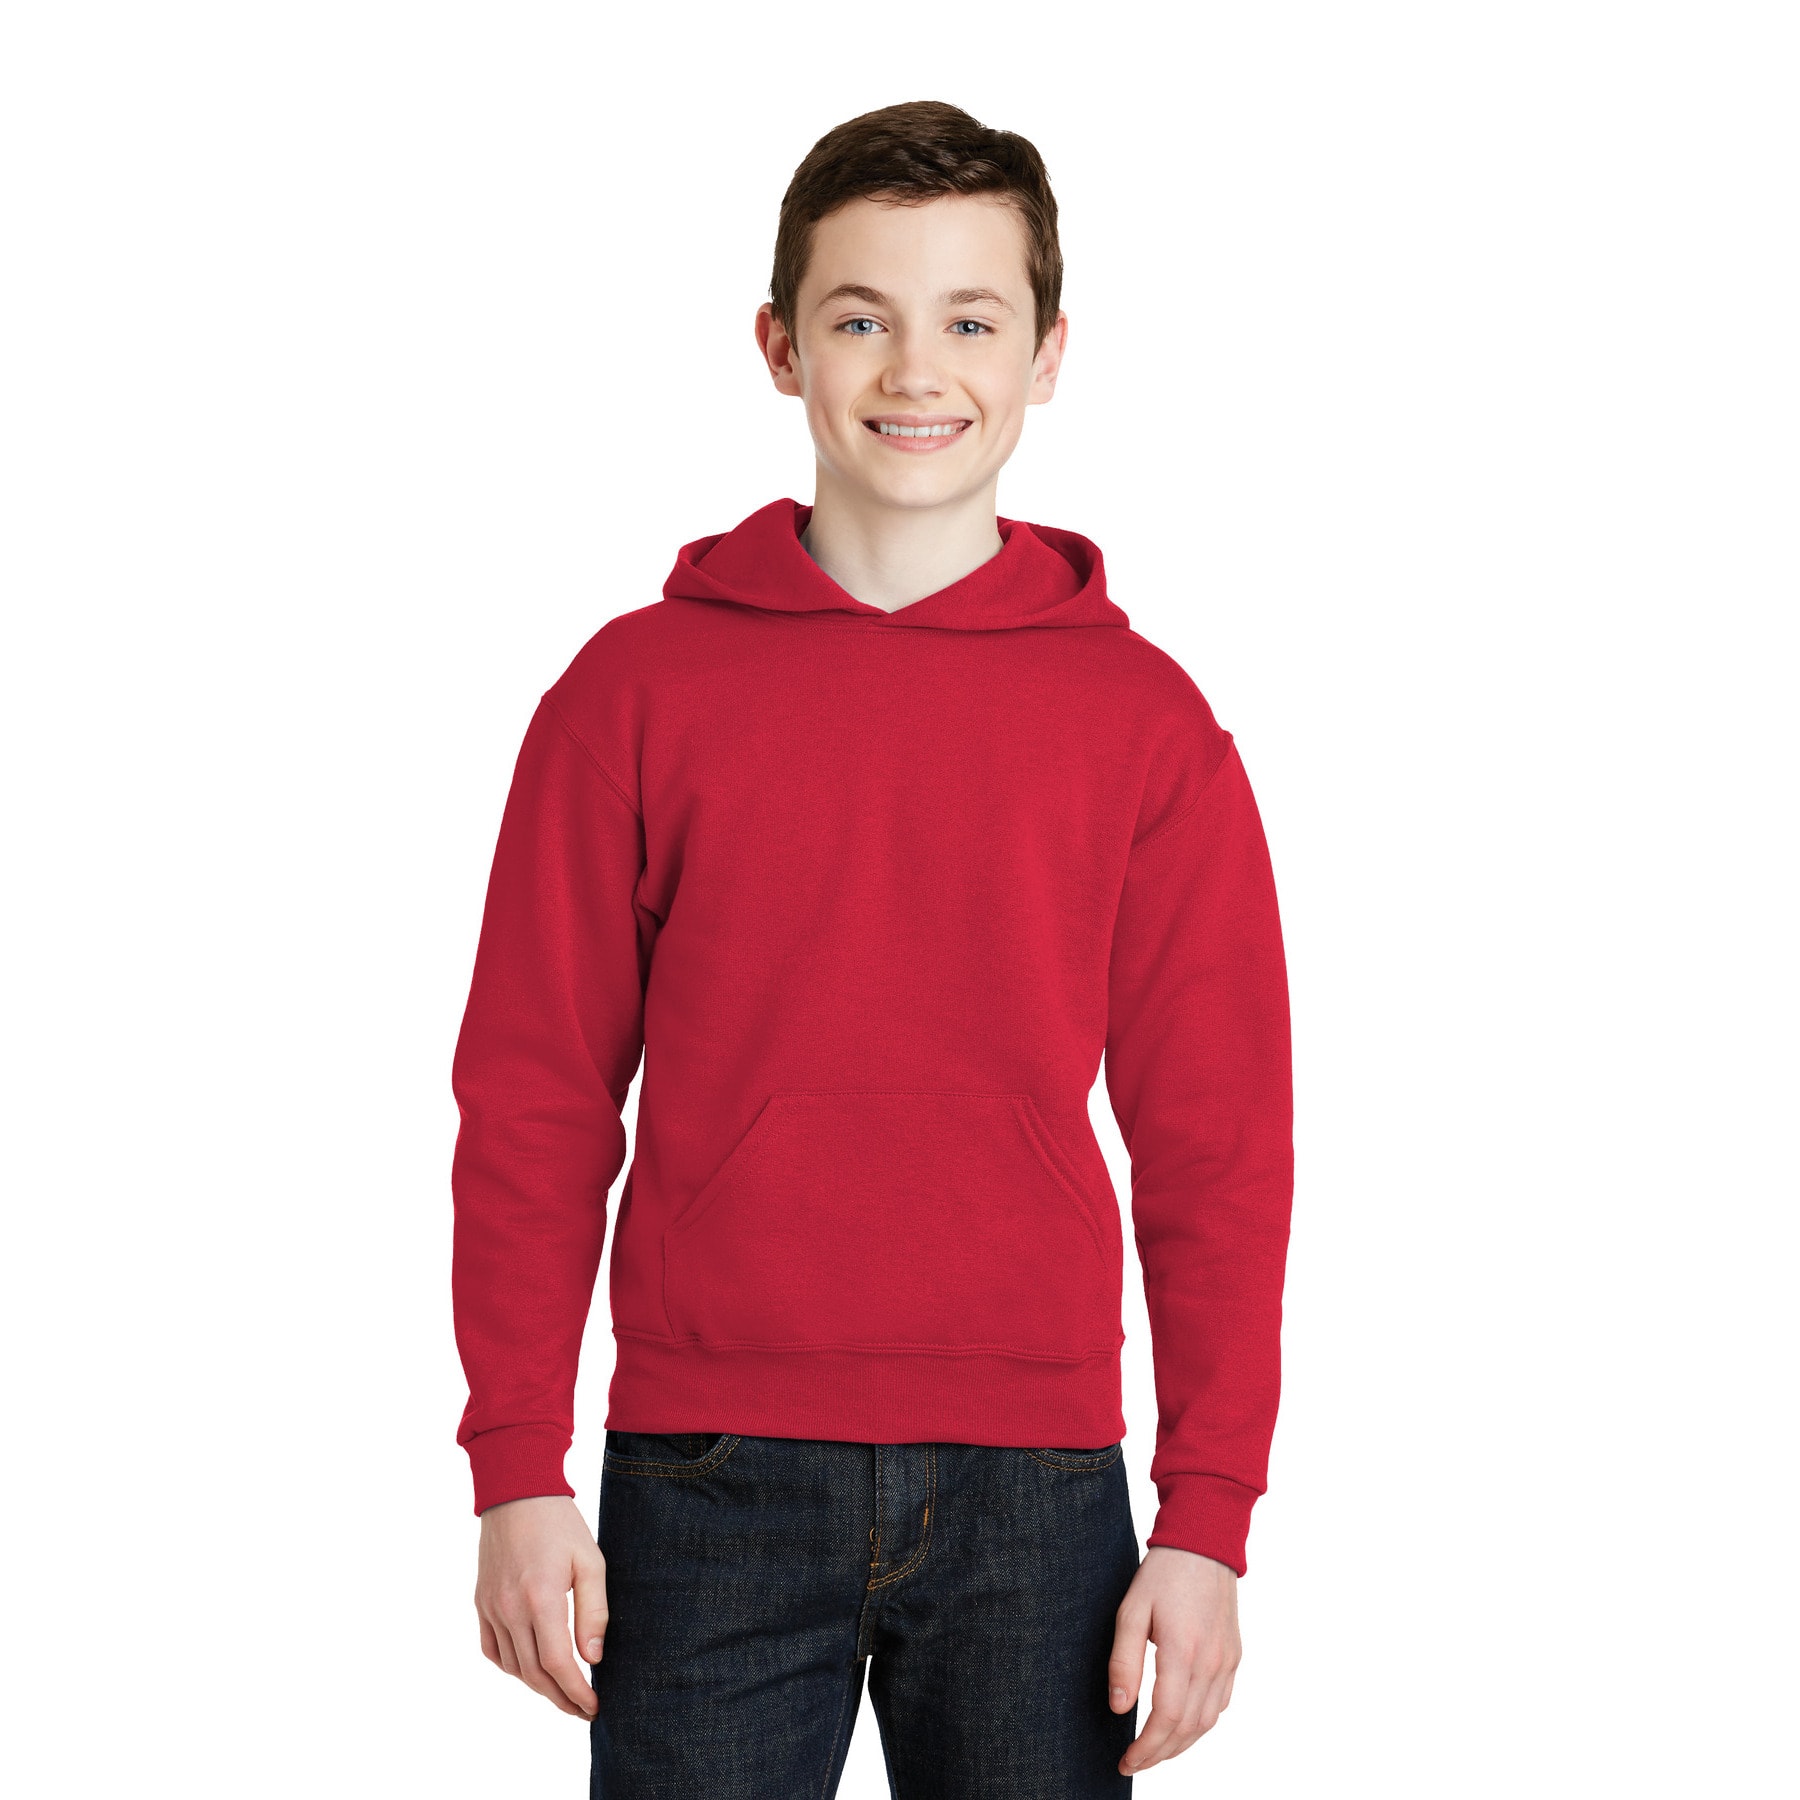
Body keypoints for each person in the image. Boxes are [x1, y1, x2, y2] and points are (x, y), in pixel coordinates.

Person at [450, 99, 1294, 1797]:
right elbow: (535, 1098)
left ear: (1048, 354)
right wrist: (516, 1467)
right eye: (861, 318)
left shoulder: (1146, 726)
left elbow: (1219, 1140)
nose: (918, 370)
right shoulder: (631, 697)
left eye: (972, 321)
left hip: (1037, 1485)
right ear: (780, 347)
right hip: (703, 1470)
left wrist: (1208, 1514)